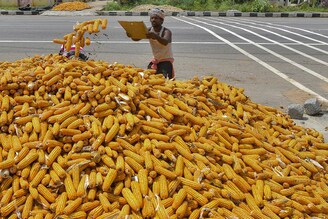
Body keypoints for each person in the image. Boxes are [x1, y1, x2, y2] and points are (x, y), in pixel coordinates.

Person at [127, 8, 174, 79]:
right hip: (155, 60)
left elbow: (165, 42)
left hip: (166, 60)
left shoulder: (166, 31)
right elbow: (137, 38)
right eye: (152, 18)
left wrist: (156, 36)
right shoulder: (149, 30)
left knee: (164, 81)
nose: (153, 20)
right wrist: (131, 35)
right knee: (148, 79)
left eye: (156, 18)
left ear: (161, 21)